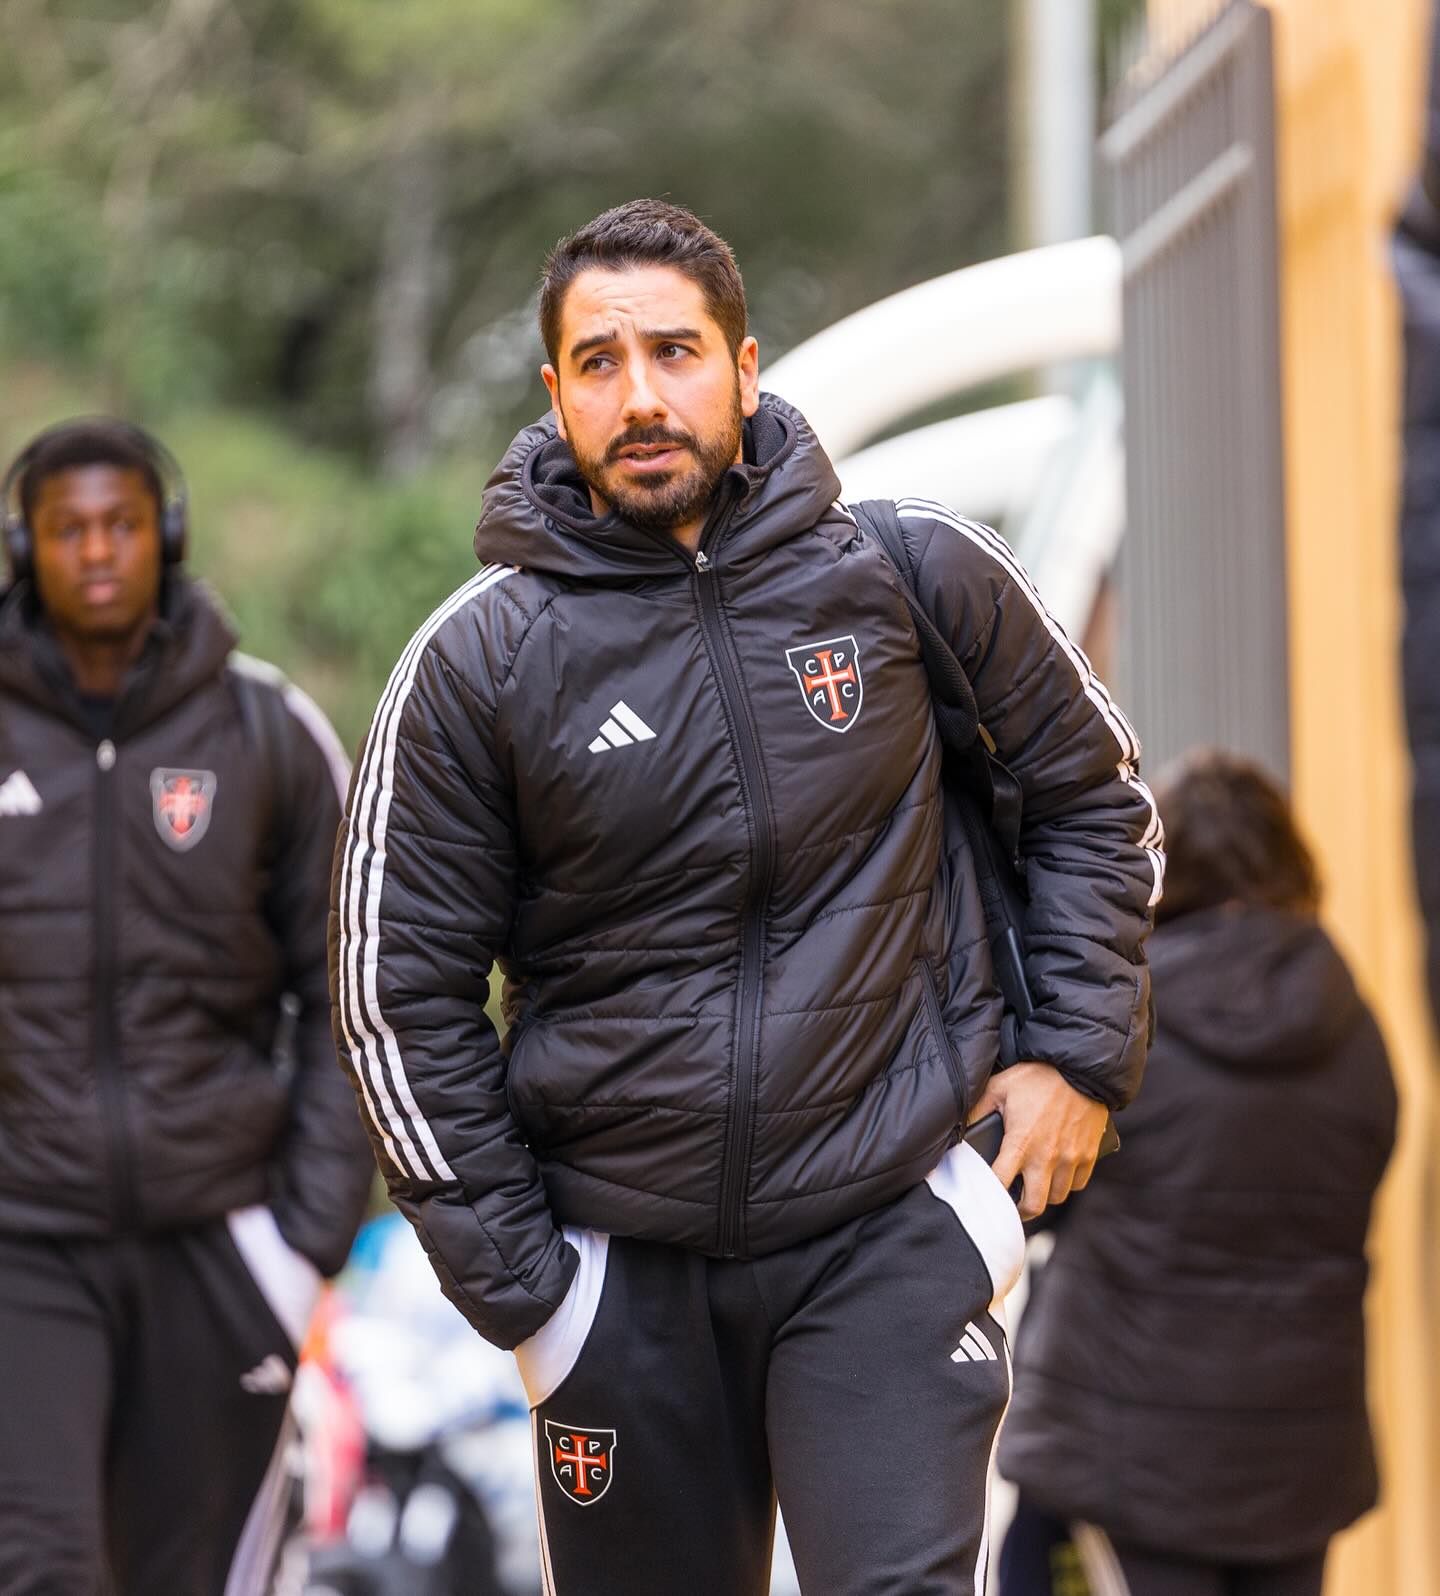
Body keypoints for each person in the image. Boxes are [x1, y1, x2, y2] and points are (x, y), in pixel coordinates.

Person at [330, 199, 1163, 1596]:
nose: (641, 397)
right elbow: (393, 991)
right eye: (600, 363)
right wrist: (538, 1294)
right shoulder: (477, 662)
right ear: (556, 394)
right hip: (622, 1279)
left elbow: (1097, 797)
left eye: (675, 351)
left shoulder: (908, 572)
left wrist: (1077, 1057)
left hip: (887, 1232)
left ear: (745, 365)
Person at [0, 418, 373, 1595]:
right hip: (22, 1241)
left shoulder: (265, 729)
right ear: (23, 547)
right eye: (67, 528)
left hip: (222, 1242)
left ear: (165, 534)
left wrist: (306, 1239)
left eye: (119, 524)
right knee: (39, 1566)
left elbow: (355, 986)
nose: (95, 550)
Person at [997, 750, 1397, 1596]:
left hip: (1125, 1447)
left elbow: (1040, 1189)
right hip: (1298, 1453)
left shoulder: (1125, 1024)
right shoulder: (1353, 1024)